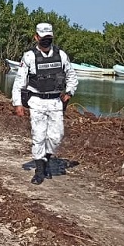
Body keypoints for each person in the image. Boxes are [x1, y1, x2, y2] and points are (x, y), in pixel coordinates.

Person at [11, 22, 78, 185]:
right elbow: (19, 82)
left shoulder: (61, 55)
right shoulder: (29, 57)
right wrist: (18, 103)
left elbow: (71, 76)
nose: (46, 40)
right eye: (43, 38)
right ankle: (40, 171)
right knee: (39, 136)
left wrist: (69, 92)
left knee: (56, 136)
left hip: (55, 101)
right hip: (37, 101)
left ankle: (46, 161)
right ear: (36, 37)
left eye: (49, 38)